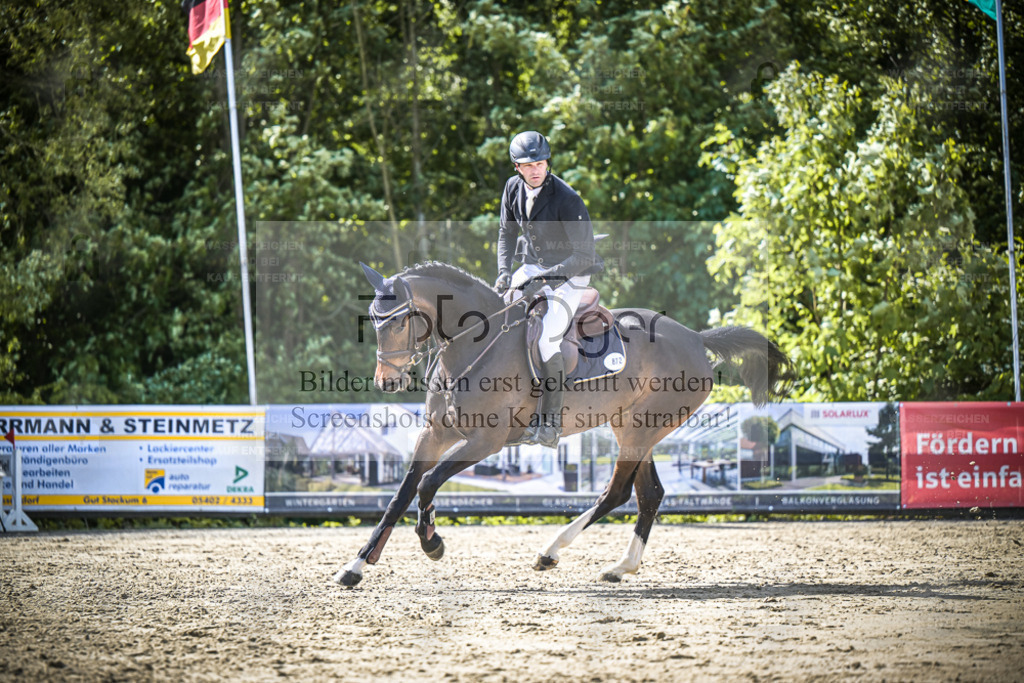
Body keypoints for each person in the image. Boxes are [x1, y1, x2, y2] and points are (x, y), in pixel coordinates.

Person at [494, 131, 604, 448]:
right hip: (530, 266)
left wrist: (544, 281)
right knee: (497, 316)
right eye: (529, 165)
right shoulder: (512, 189)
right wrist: (503, 272)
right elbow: (506, 232)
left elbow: (584, 256)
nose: (536, 170)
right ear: (517, 166)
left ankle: (551, 425)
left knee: (546, 340)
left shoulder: (567, 199)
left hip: (571, 273)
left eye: (541, 163)